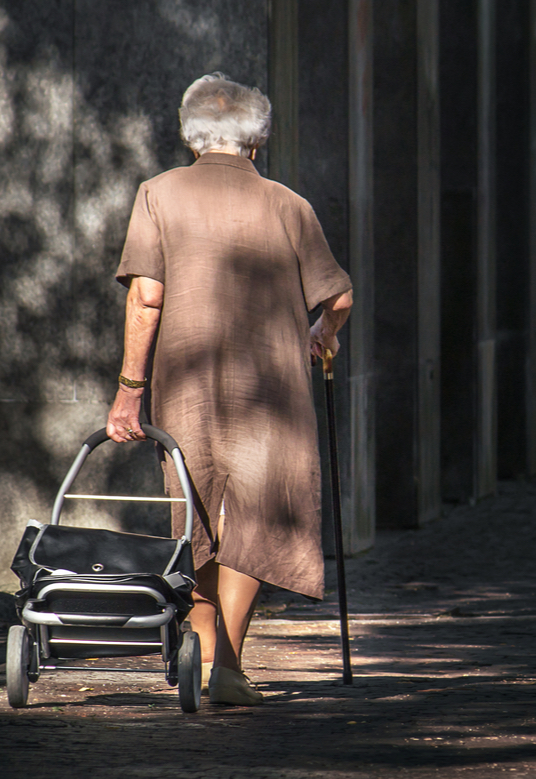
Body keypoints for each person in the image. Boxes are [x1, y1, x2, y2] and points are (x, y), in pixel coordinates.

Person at [106, 73, 352, 706]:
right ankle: (229, 665)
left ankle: (206, 651)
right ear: (257, 141)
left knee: (195, 513)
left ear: (191, 138)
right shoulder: (288, 204)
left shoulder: (157, 194)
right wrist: (323, 333)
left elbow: (147, 297)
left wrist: (129, 389)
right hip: (273, 391)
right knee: (256, 518)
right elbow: (340, 296)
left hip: (186, 384)